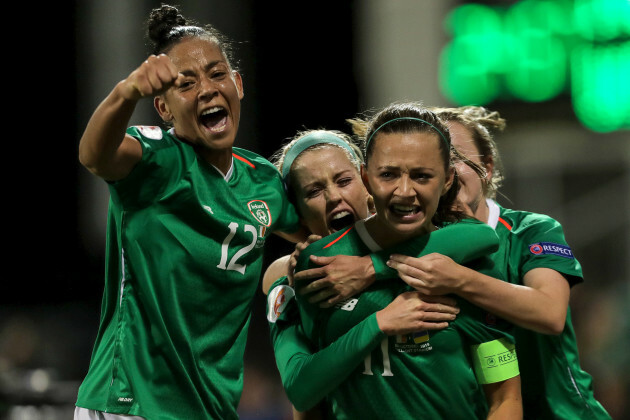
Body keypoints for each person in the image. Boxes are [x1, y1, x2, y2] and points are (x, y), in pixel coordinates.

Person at [75, 5, 304, 419]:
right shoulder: (155, 162)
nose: (207, 90)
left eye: (217, 74)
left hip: (211, 408)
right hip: (132, 403)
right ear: (163, 109)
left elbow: (321, 230)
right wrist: (127, 93)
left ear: (238, 83)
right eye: (186, 83)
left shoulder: (264, 183)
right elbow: (94, 155)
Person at [276, 103, 522, 419]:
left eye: (421, 175)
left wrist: (374, 268)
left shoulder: (469, 264)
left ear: (447, 180)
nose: (404, 191)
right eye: (388, 174)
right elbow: (304, 393)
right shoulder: (317, 268)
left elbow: (505, 397)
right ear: (367, 176)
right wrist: (379, 323)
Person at [384, 105, 612, 419]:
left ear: (487, 168)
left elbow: (550, 312)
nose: (447, 173)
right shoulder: (410, 246)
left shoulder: (531, 230)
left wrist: (459, 279)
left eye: (456, 159)